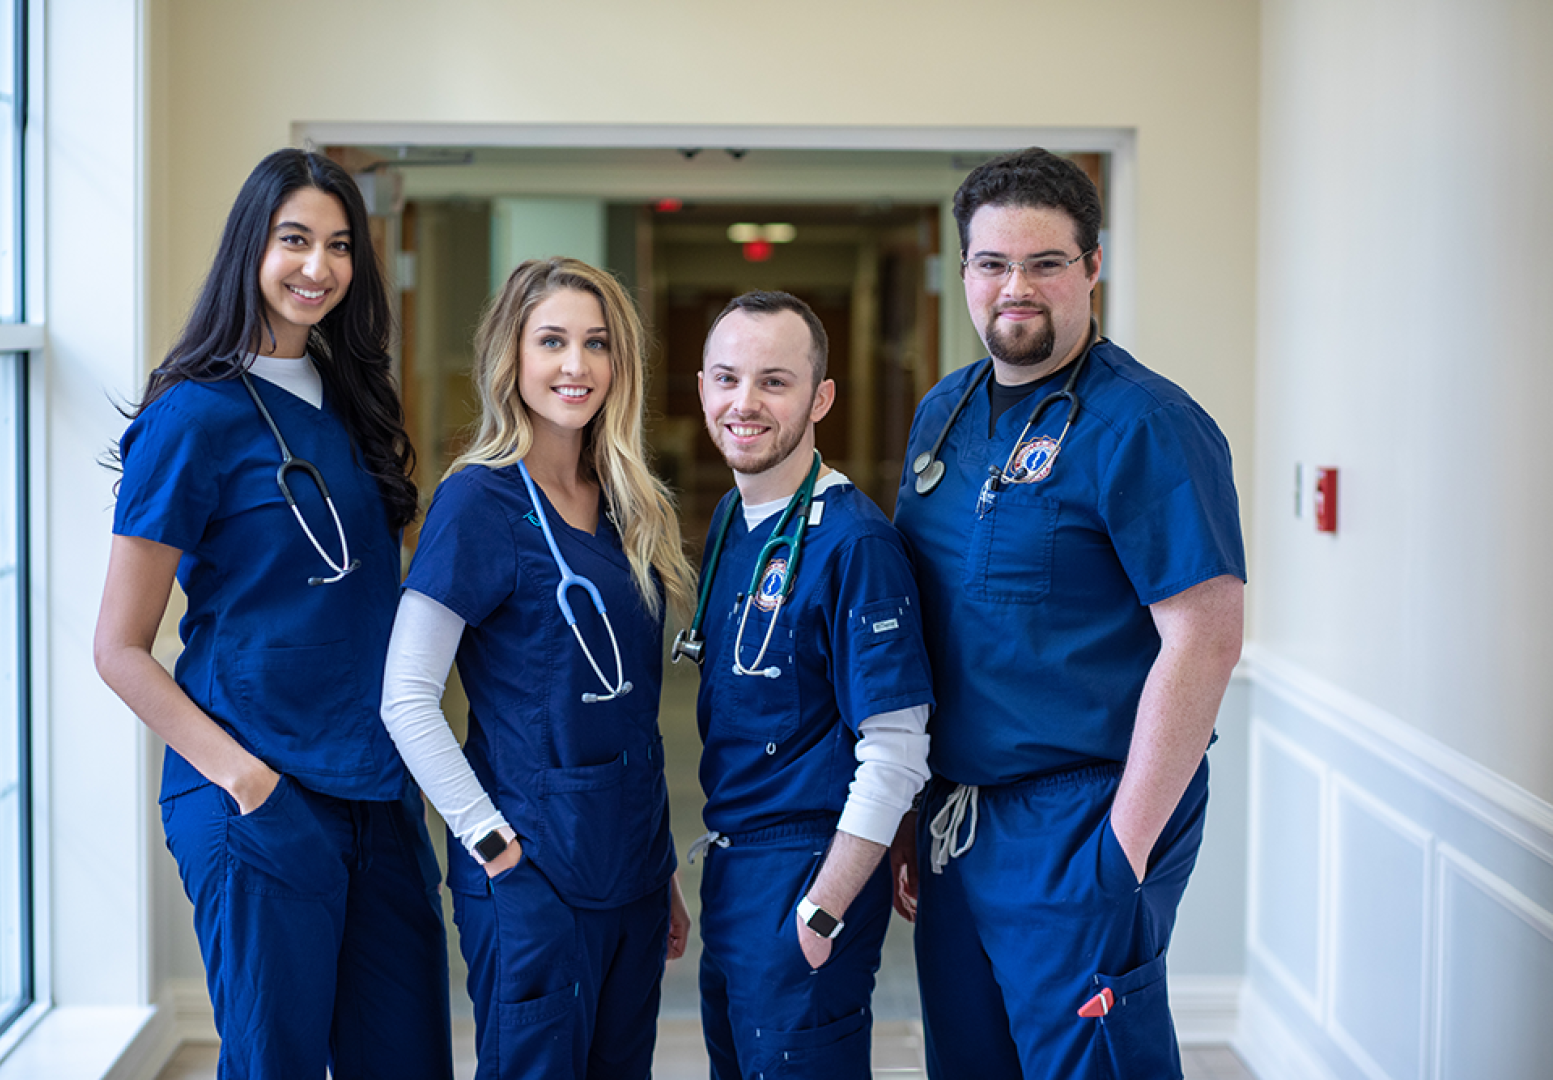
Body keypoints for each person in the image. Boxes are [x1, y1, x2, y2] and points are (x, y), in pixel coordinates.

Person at [92, 148, 452, 1079]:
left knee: (407, 1059)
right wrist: (248, 782)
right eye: (295, 239)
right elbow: (119, 648)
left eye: (339, 246)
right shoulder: (191, 417)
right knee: (274, 1064)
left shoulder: (351, 400)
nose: (317, 266)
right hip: (259, 787)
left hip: (375, 788)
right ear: (250, 245)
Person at [890, 147, 1247, 1079]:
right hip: (956, 816)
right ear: (964, 272)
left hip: (1080, 816)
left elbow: (1206, 639)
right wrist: (910, 806)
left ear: (1092, 267)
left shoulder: (1145, 424)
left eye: (1044, 262)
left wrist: (1118, 852)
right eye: (992, 263)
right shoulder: (944, 413)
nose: (1015, 287)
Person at [378, 257, 698, 1079]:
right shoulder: (478, 502)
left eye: (597, 343)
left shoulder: (629, 503)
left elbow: (627, 713)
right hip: (531, 872)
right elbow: (406, 698)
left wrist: (658, 867)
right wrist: (491, 844)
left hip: (631, 868)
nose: (575, 365)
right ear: (510, 357)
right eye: (551, 341)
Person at [677, 290, 933, 1080]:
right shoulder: (733, 518)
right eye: (727, 379)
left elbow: (896, 750)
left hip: (803, 871)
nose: (744, 404)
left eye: (774, 382)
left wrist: (822, 910)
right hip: (734, 871)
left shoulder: (855, 544)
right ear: (702, 388)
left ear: (820, 398)